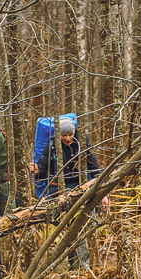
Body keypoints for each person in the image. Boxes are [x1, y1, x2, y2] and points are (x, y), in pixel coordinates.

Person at [29, 115, 109, 268]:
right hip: (61, 192)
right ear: (58, 134)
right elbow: (43, 169)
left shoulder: (82, 144)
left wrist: (103, 193)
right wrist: (37, 170)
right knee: (70, 228)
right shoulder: (51, 146)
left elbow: (94, 168)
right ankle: (77, 265)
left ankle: (85, 264)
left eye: (70, 135)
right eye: (64, 135)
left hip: (81, 189)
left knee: (86, 224)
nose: (67, 138)